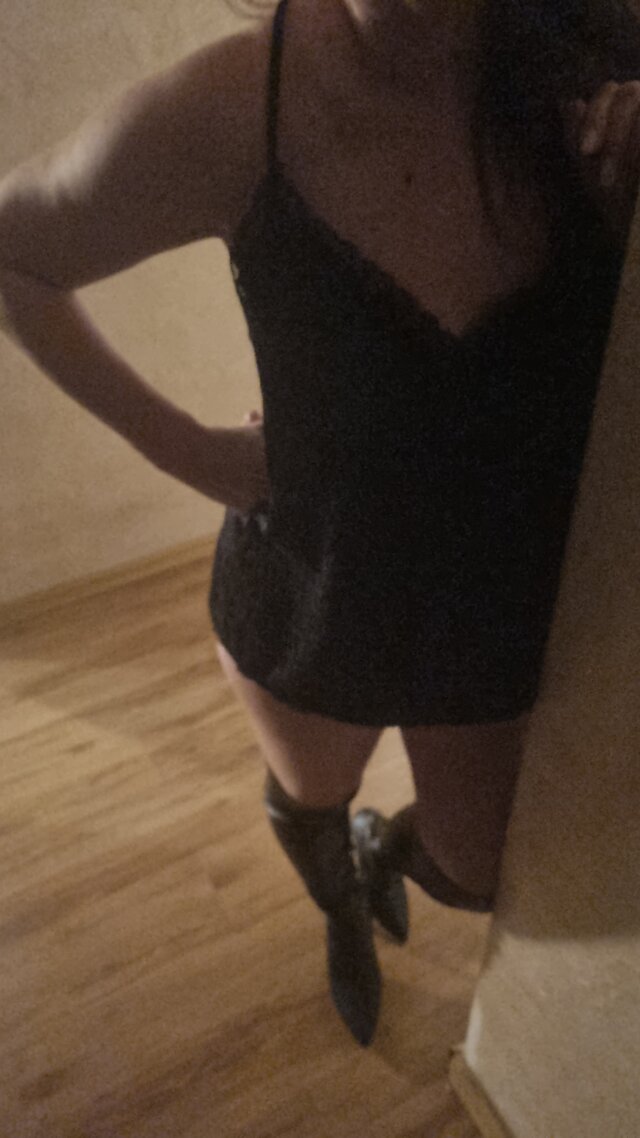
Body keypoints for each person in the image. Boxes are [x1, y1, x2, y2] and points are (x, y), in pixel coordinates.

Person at [1, 0, 639, 1047]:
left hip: (494, 610)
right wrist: (190, 453)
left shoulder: (604, 57)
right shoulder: (235, 102)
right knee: (310, 802)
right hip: (308, 593)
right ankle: (340, 903)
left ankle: (382, 853)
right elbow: (16, 249)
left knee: (481, 867)